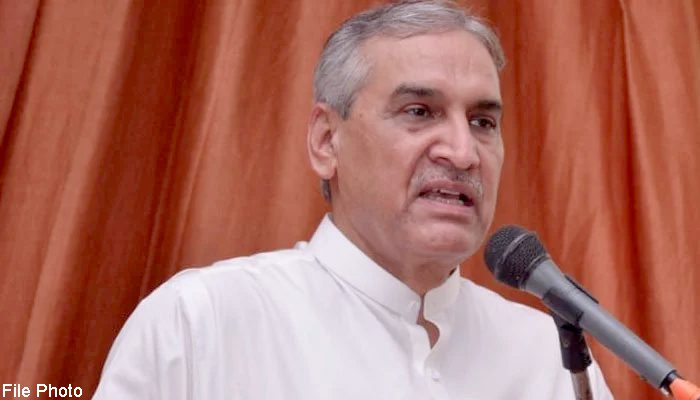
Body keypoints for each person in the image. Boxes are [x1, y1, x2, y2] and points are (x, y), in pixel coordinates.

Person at [93, 1, 614, 399]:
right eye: (419, 112)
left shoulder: (551, 358)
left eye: (482, 122)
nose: (462, 153)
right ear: (326, 142)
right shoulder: (200, 323)